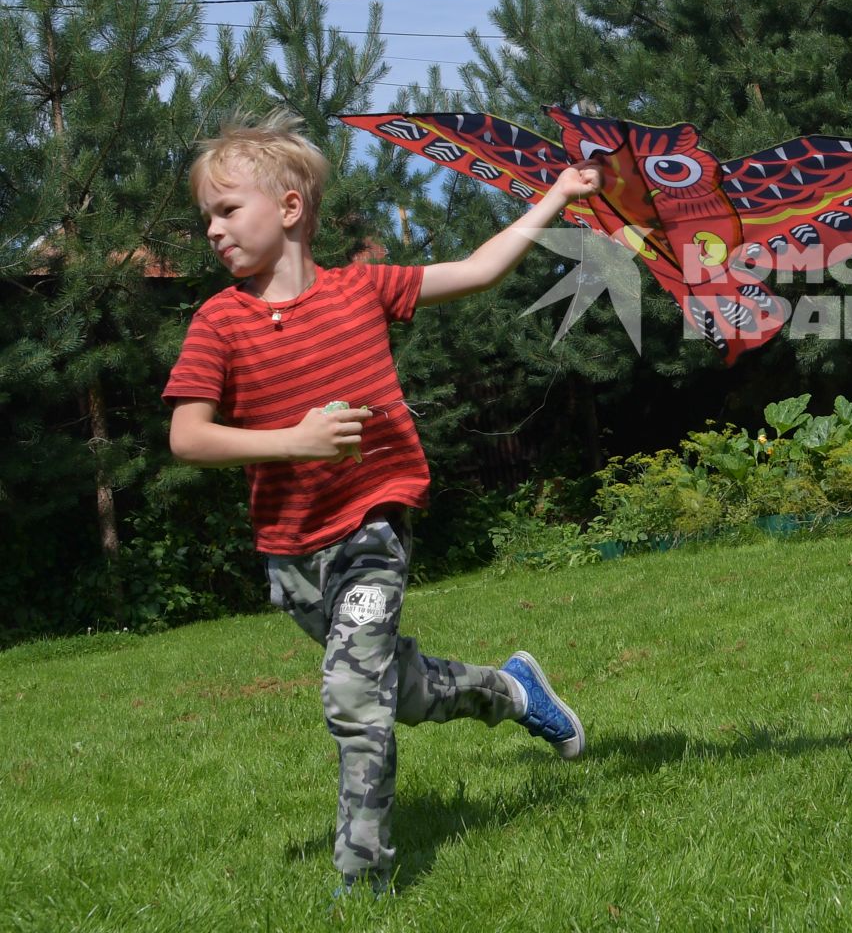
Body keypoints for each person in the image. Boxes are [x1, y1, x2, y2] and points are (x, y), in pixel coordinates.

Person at [163, 108, 602, 895]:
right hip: (292, 558)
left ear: (290, 208)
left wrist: (558, 197)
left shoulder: (363, 289)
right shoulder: (219, 322)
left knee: (351, 695)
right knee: (401, 693)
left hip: (372, 530)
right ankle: (512, 691)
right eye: (207, 217)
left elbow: (477, 270)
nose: (212, 230)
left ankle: (363, 878)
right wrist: (289, 441)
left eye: (227, 210)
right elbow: (188, 437)